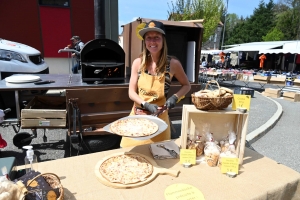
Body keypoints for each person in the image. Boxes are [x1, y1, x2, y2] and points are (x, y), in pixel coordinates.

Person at [120, 20, 191, 148]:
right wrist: (145, 104)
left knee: (160, 155)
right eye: (149, 38)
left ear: (163, 40)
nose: (152, 42)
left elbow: (187, 85)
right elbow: (131, 92)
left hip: (160, 120)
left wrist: (175, 97)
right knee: (130, 153)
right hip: (137, 118)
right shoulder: (138, 63)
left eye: (156, 38)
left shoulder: (173, 64)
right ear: (145, 41)